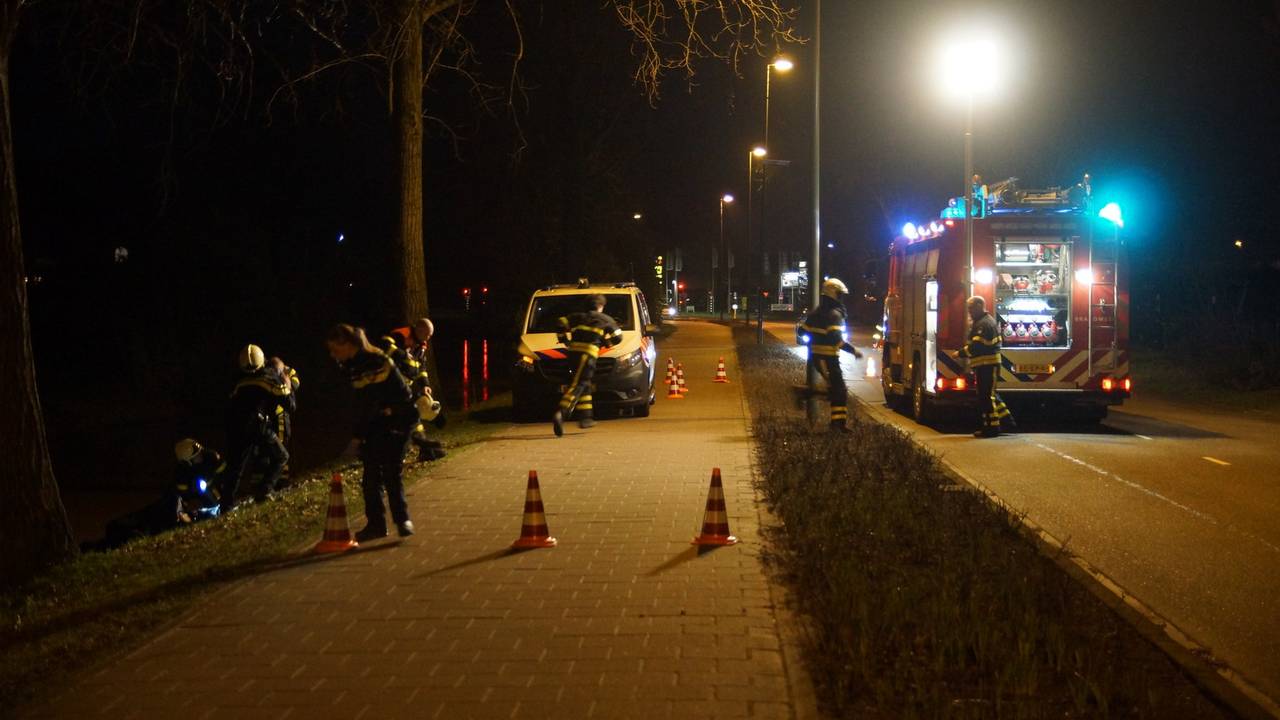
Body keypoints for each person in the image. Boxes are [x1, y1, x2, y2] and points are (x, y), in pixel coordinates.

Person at [326, 323, 418, 540]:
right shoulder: (354, 364)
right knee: (371, 477)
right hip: (379, 421)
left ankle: (402, 520)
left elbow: (368, 403)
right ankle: (377, 525)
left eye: (335, 349)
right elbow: (362, 405)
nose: (333, 355)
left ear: (347, 344)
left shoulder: (372, 362)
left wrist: (357, 437)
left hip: (399, 420)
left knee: (390, 471)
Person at [223, 344, 293, 512]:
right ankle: (265, 490)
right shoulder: (267, 378)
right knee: (281, 456)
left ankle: (226, 505)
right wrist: (286, 382)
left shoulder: (238, 381)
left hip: (236, 427)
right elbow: (289, 402)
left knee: (235, 468)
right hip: (258, 426)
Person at [799, 278, 864, 432]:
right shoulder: (835, 315)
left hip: (816, 358)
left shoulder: (816, 312)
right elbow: (837, 340)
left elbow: (802, 331)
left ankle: (810, 395)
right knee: (839, 391)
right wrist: (853, 350)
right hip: (829, 359)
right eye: (840, 295)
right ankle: (837, 425)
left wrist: (814, 338)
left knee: (835, 389)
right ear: (834, 294)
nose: (842, 298)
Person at [552, 294, 623, 436]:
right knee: (579, 384)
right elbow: (618, 336)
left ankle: (586, 418)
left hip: (572, 354)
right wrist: (606, 343)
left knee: (584, 383)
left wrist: (563, 339)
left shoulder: (578, 316)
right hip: (588, 355)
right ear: (601, 306)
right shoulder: (606, 319)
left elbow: (560, 322)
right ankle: (561, 412)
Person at [373, 334, 446, 462]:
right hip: (391, 391)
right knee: (404, 422)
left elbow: (420, 369)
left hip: (402, 390)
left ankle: (425, 450)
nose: (427, 338)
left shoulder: (419, 348)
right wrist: (404, 355)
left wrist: (425, 384)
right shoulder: (398, 339)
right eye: (427, 334)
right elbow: (387, 347)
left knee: (412, 418)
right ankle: (417, 451)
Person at [957, 295, 1013, 438]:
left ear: (979, 307)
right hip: (985, 366)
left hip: (987, 366)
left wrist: (960, 353)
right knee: (989, 396)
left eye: (971, 308)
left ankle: (991, 428)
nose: (969, 311)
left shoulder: (984, 324)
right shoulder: (982, 322)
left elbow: (977, 346)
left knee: (986, 398)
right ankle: (1006, 421)